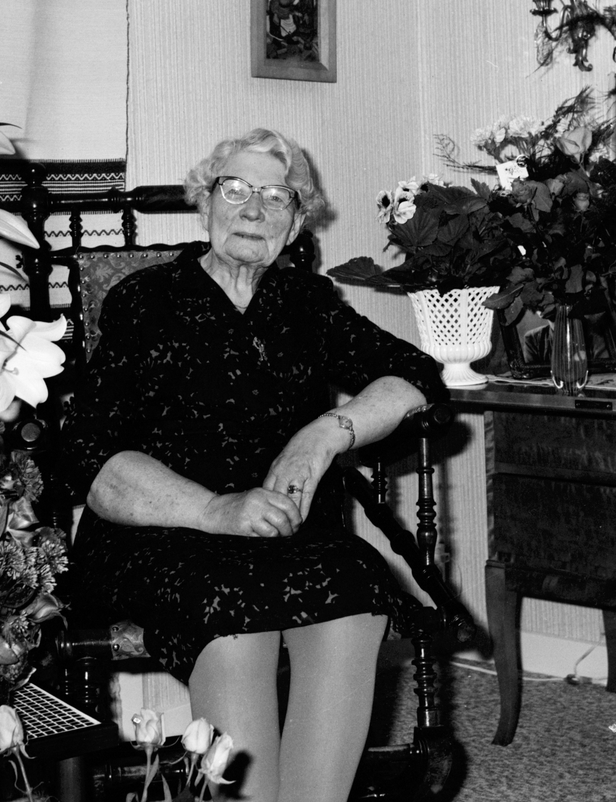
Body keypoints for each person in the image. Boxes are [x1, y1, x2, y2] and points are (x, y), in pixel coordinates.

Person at [62, 128, 445, 802]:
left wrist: (324, 435)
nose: (254, 209)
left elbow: (416, 377)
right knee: (238, 619)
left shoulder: (305, 303)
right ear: (205, 202)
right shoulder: (146, 301)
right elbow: (92, 460)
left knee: (356, 586)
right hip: (163, 531)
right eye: (235, 189)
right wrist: (215, 509)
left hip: (282, 530)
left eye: (277, 197)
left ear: (296, 223)